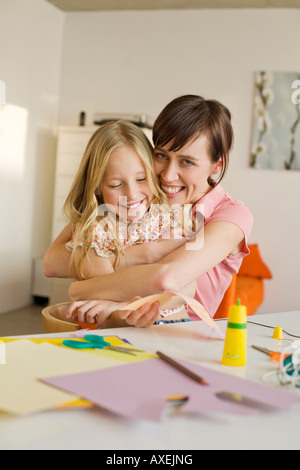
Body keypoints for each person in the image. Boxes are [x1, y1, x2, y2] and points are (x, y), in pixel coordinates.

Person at [43, 120, 194, 327]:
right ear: (97, 187)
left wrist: (126, 301)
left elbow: (189, 287)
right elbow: (107, 309)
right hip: (131, 333)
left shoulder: (167, 218)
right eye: (116, 185)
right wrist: (122, 307)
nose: (132, 195)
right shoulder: (97, 232)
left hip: (181, 325)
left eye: (141, 179)